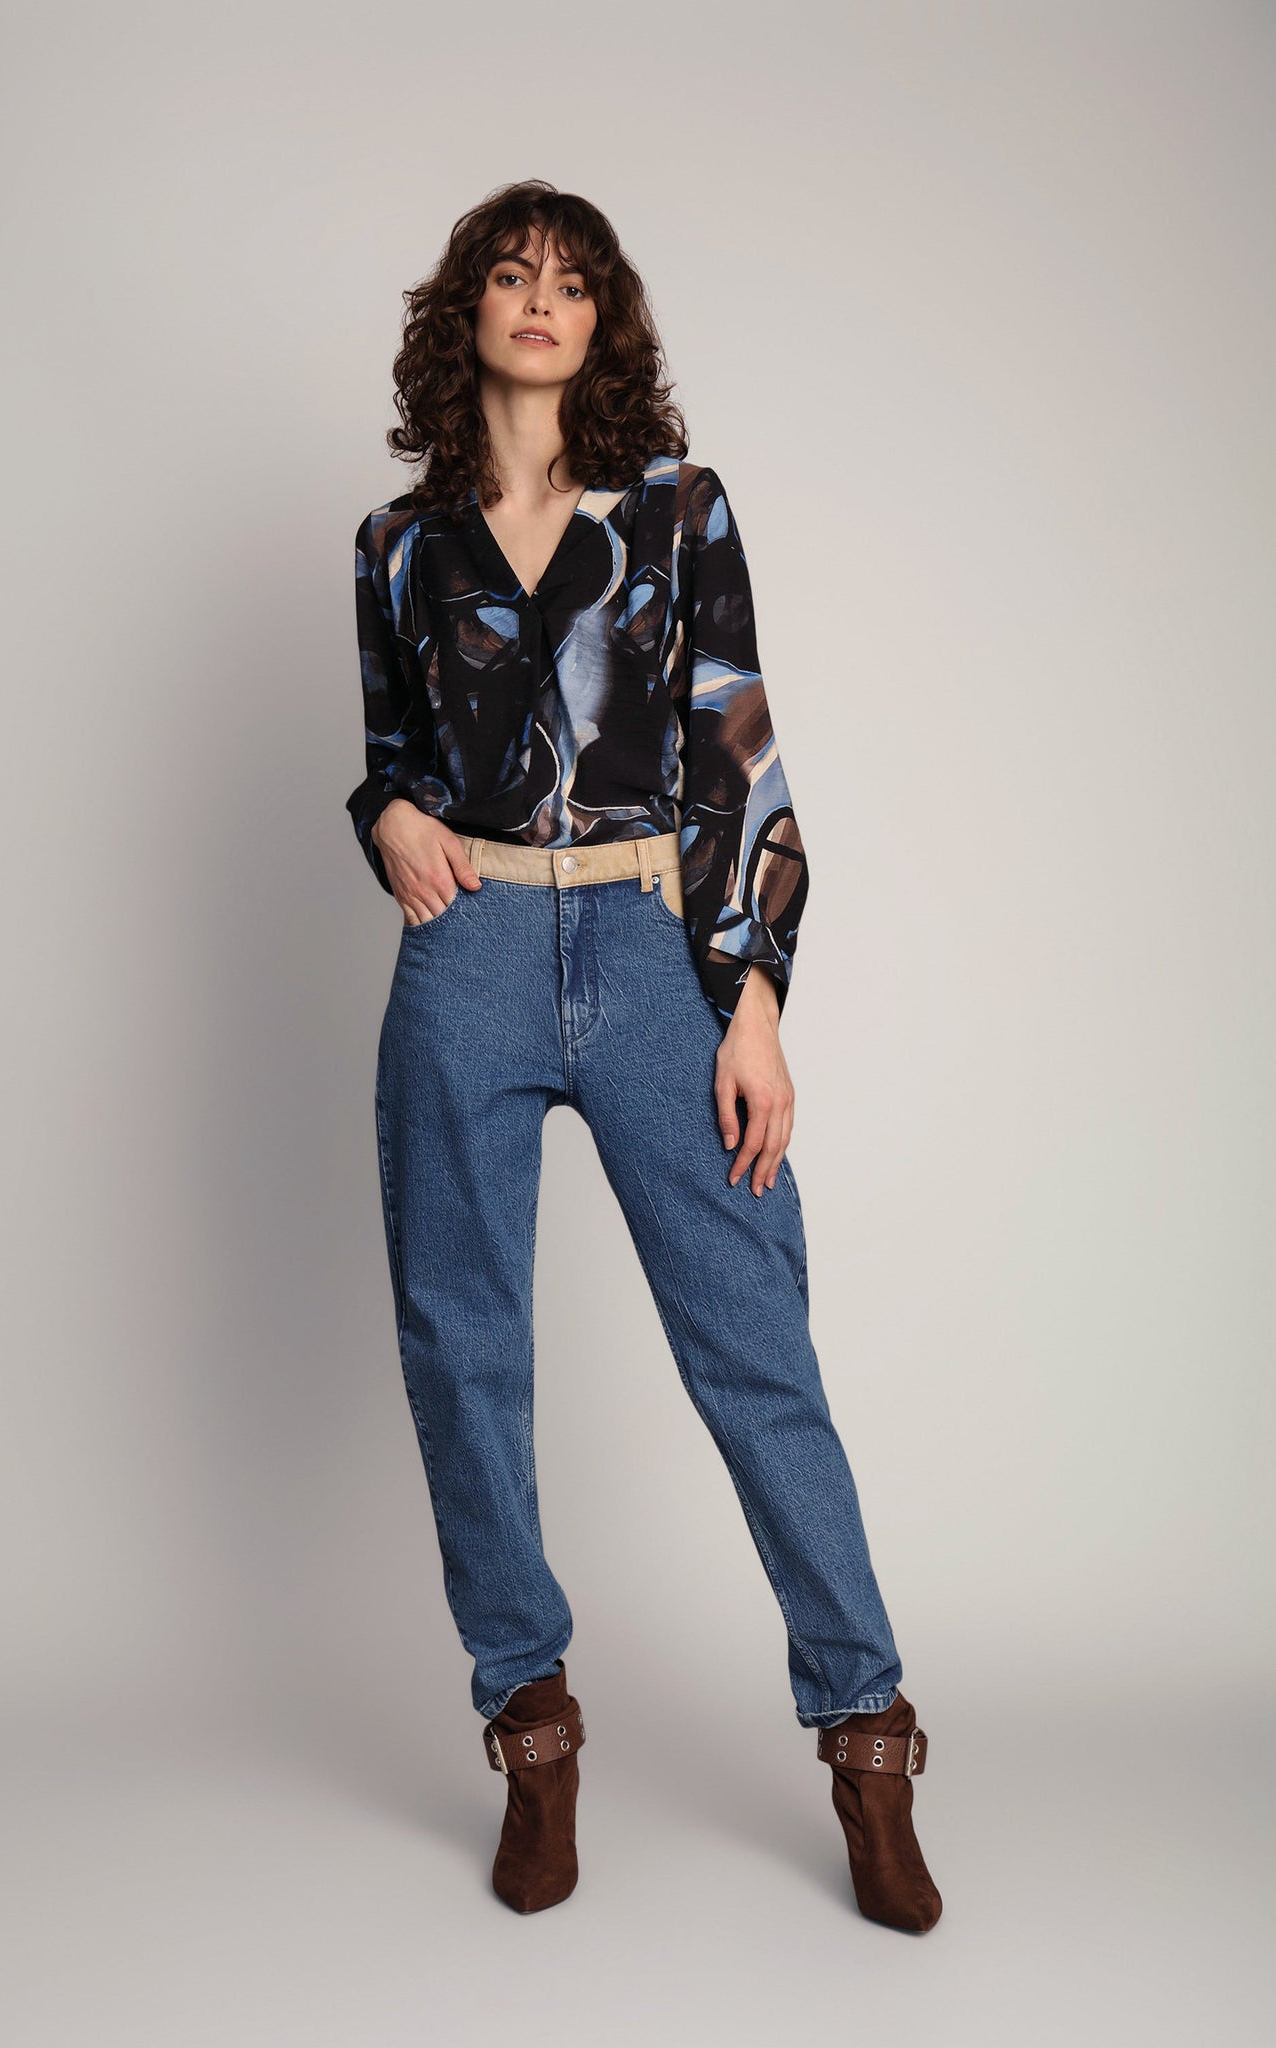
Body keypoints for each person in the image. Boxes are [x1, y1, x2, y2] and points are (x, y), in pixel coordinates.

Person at [345, 179, 941, 1933]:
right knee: (462, 1344)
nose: (540, 299)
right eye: (509, 274)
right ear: (465, 312)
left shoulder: (680, 508)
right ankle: (528, 1725)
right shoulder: (395, 542)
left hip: (647, 948)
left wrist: (752, 998)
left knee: (752, 1343)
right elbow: (390, 756)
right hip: (466, 958)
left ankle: (866, 1734)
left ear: (604, 323)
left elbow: (738, 755)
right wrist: (381, 815)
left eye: (573, 281)